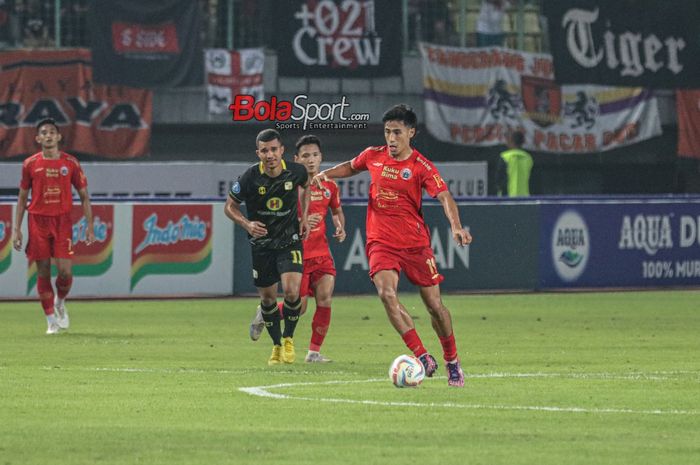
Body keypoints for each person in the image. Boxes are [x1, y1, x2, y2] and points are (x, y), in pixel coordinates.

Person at [312, 104, 473, 387]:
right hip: (380, 242)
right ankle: (422, 356)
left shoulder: (420, 166)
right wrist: (328, 174)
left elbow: (445, 196)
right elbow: (351, 166)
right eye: (387, 132)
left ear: (411, 133)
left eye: (397, 132)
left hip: (416, 245)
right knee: (386, 294)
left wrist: (456, 226)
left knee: (435, 306)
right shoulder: (373, 156)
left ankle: (452, 360)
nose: (391, 138)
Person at [249, 135, 346, 363]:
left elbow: (336, 211)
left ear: (321, 157)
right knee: (299, 307)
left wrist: (340, 225)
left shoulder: (330, 186)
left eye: (315, 155)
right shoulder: (287, 185)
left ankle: (313, 352)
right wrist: (301, 220)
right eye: (305, 156)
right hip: (297, 252)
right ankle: (266, 312)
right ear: (296, 159)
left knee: (325, 298)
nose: (311, 160)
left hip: (322, 253)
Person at [225, 128, 310, 365]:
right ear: (258, 153)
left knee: (293, 291)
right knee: (269, 299)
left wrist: (304, 217)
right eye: (264, 150)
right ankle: (276, 346)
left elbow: (307, 187)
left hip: (289, 239)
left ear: (282, 150)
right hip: (261, 244)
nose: (270, 154)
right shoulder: (249, 177)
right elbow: (229, 207)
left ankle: (289, 338)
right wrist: (247, 223)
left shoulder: (297, 171)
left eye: (274, 149)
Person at [12, 118, 95, 335]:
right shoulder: (30, 164)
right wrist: (17, 229)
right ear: (38, 139)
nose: (48, 135)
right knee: (43, 270)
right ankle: (50, 321)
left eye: (52, 132)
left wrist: (89, 225)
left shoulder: (71, 163)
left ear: (58, 137)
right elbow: (22, 198)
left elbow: (84, 196)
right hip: (38, 220)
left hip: (62, 221)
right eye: (44, 133)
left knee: (65, 272)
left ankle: (60, 302)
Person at [496, 130, 533, 197]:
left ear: (511, 141)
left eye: (508, 140)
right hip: (525, 197)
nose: (506, 142)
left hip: (507, 198)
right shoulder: (528, 158)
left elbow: (499, 178)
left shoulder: (505, 157)